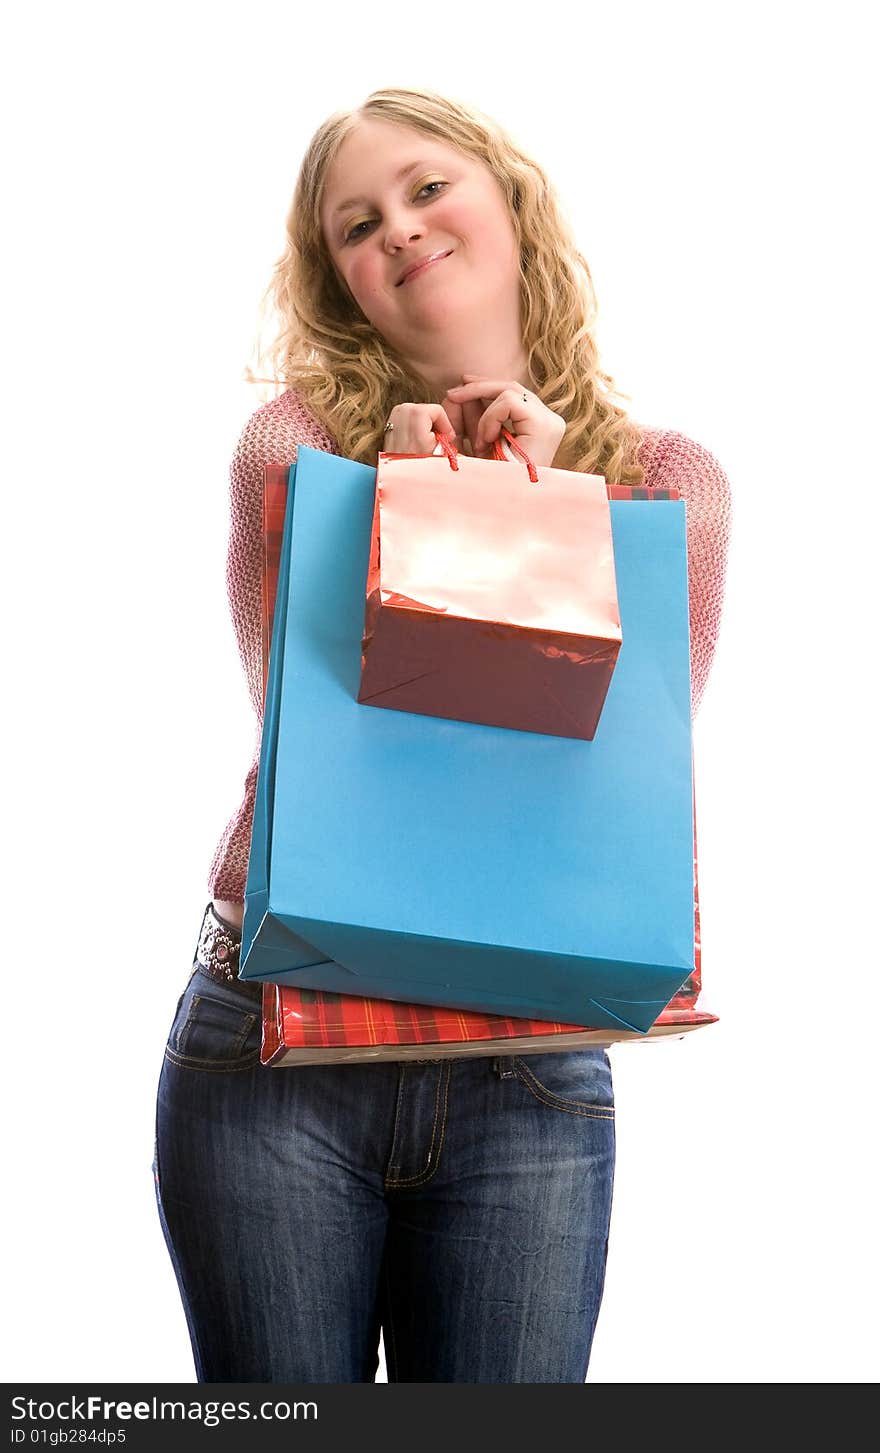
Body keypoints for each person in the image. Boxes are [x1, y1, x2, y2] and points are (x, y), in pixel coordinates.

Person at [152, 86, 731, 1384]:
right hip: (274, 1041)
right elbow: (308, 719)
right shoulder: (292, 451)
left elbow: (600, 774)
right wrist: (408, 502)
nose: (399, 231)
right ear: (343, 282)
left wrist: (547, 509)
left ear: (509, 201)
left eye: (424, 188)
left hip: (525, 1055)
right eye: (358, 225)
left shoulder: (664, 487)